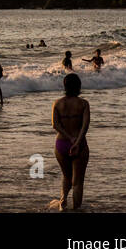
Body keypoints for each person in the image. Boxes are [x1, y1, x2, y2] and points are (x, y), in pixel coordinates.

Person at [52, 73, 91, 210]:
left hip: (61, 144)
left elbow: (55, 125)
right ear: (78, 86)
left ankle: (62, 204)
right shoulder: (83, 104)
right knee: (77, 182)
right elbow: (85, 126)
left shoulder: (57, 103)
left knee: (66, 177)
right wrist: (76, 141)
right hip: (79, 144)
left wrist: (68, 138)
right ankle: (76, 210)